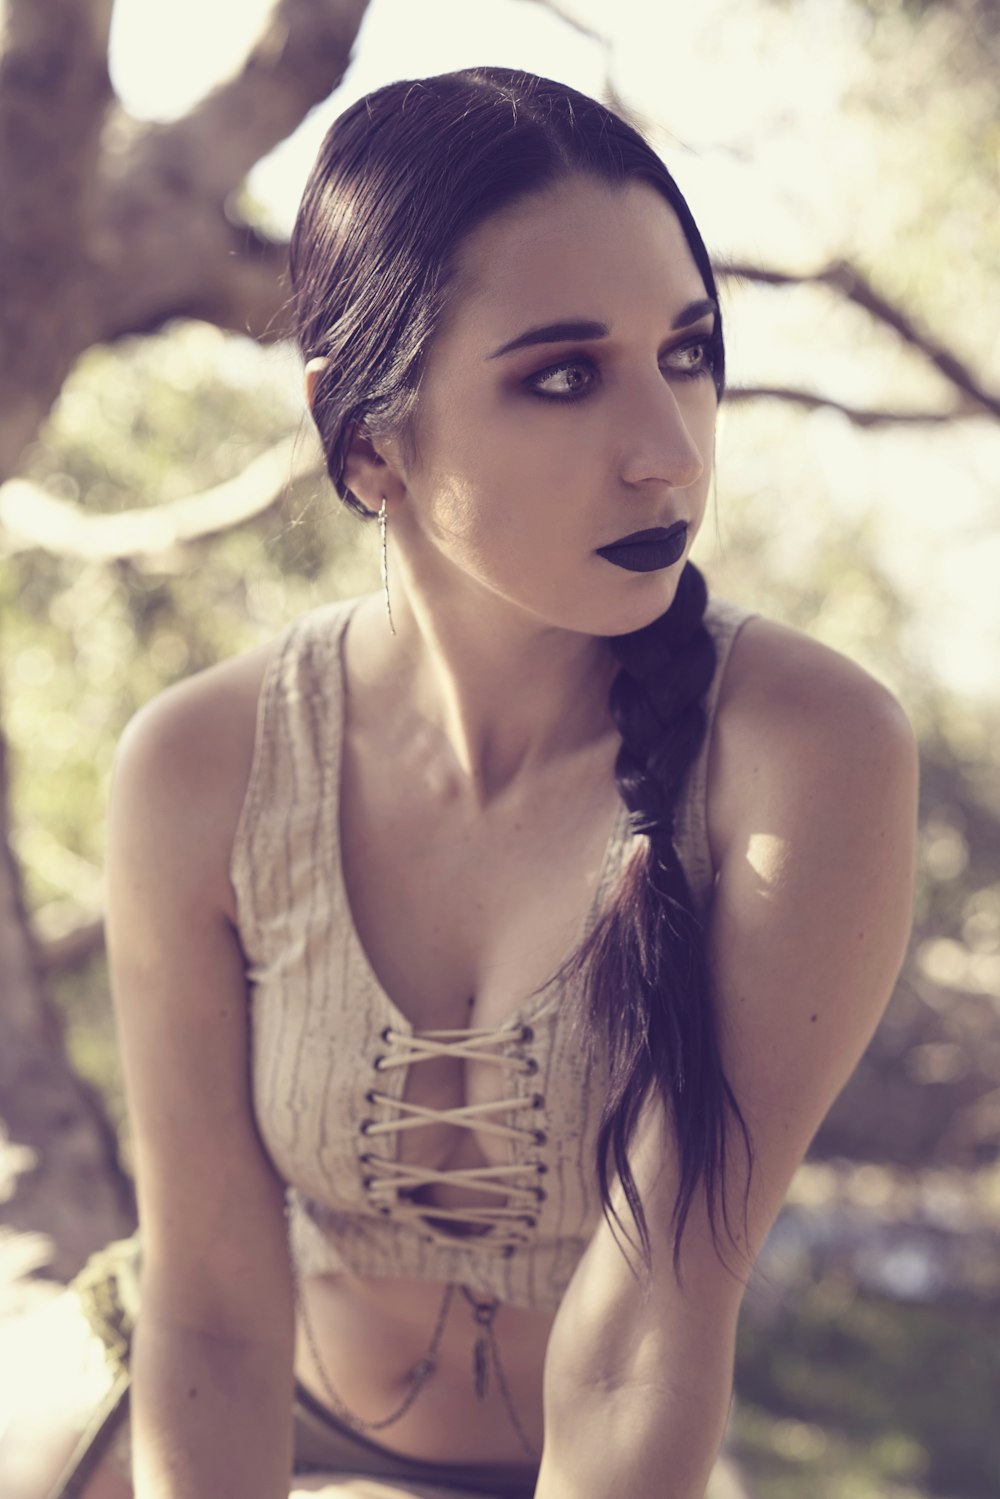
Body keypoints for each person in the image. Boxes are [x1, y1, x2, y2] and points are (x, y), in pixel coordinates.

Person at [0, 66, 918, 1499]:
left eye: (688, 352)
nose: (671, 455)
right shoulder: (203, 766)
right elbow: (214, 1320)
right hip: (228, 1394)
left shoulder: (809, 753)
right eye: (563, 375)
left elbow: (644, 1338)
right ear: (368, 440)